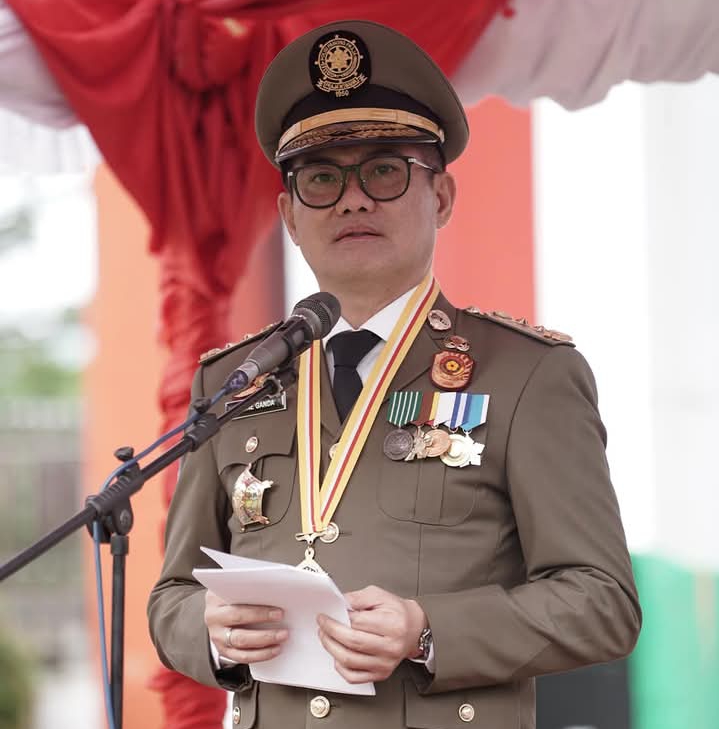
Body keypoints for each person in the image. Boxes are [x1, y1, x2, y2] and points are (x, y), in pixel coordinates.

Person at [148, 19, 641, 729]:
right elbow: (170, 597)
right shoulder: (236, 380)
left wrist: (428, 628)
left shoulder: (528, 374)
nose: (352, 199)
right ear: (290, 216)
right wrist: (210, 629)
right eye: (321, 179)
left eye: (384, 170)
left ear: (440, 197)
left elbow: (602, 601)